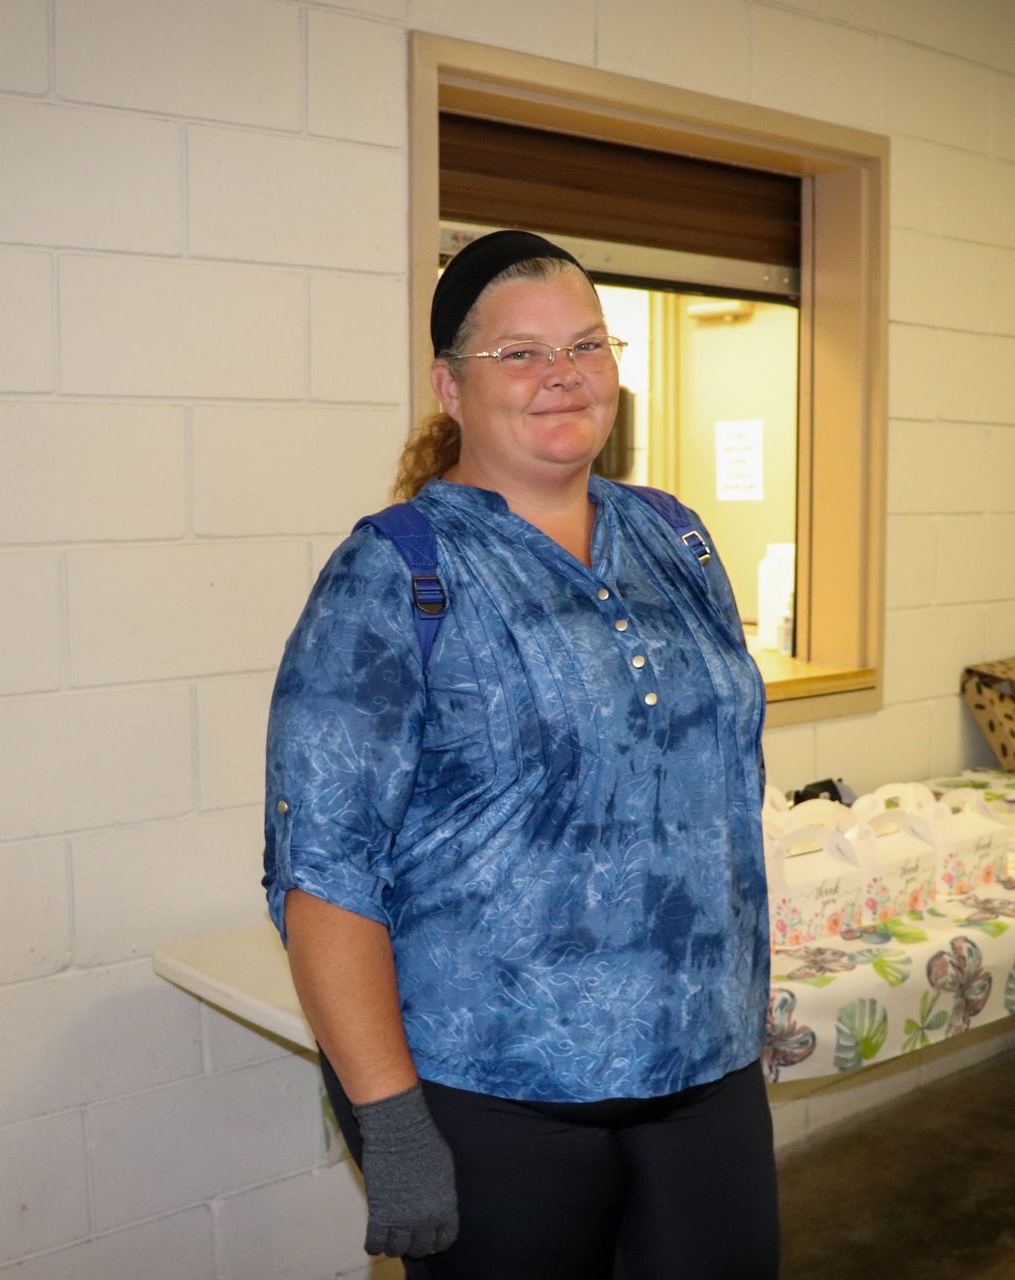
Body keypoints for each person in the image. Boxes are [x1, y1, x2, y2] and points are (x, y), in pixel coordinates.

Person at [261, 230, 778, 1279]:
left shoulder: (675, 539)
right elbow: (324, 870)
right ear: (451, 387)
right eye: (520, 353)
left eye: (587, 344)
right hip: (493, 1097)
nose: (562, 375)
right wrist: (392, 1119)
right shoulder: (395, 572)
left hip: (705, 1071)